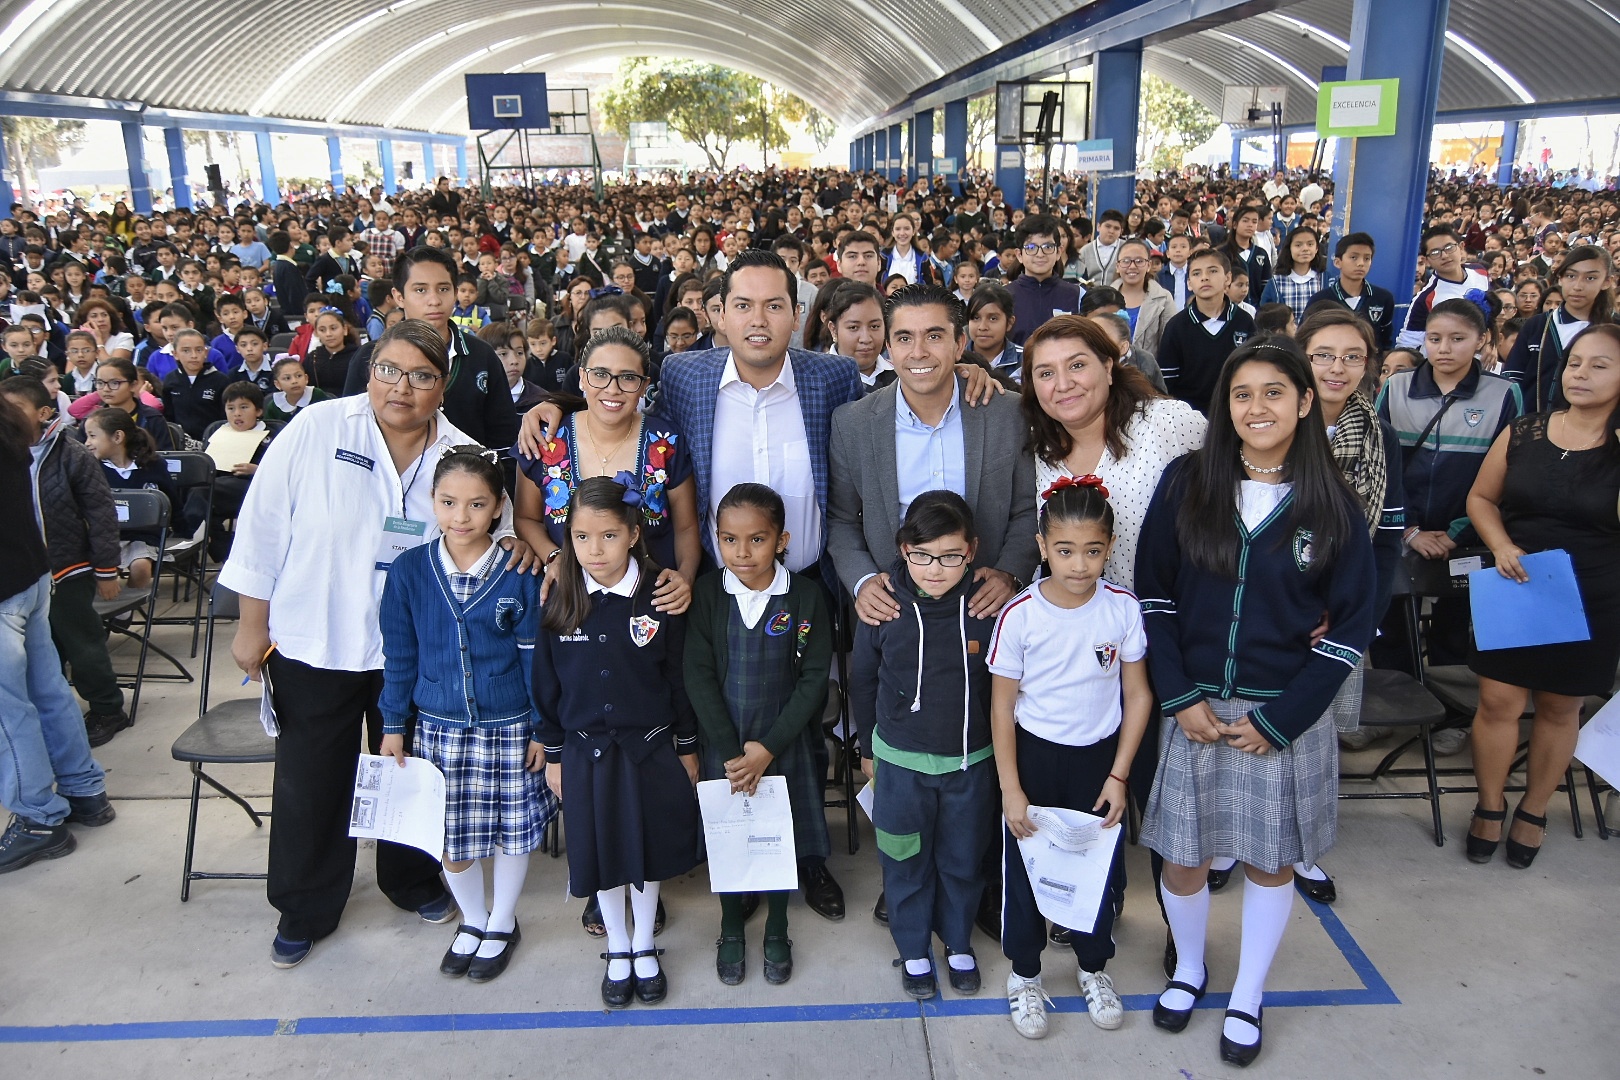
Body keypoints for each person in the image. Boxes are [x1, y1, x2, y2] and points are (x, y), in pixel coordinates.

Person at [220, 320, 538, 970]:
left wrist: (515, 548)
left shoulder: (461, 450)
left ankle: (411, 881)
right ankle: (306, 904)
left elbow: (493, 533)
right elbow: (262, 524)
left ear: (442, 385)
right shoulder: (318, 428)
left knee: (412, 775)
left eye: (422, 375)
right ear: (370, 371)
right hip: (317, 637)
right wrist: (252, 622)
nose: (403, 387)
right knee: (313, 778)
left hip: (418, 652)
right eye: (389, 370)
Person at [1136, 336, 1378, 1068]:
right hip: (1196, 709)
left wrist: (1281, 720)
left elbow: (1352, 627)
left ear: (1306, 402)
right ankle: (1189, 968)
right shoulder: (1186, 483)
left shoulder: (1331, 502)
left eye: (1275, 391)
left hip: (1282, 714)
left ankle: (1248, 992)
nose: (1257, 407)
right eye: (1243, 394)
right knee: (1183, 858)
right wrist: (1178, 696)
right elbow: (1154, 596)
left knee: (1270, 862)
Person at [378, 447, 555, 983]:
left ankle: (502, 921)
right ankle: (473, 920)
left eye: (477, 504)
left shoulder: (519, 570)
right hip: (439, 725)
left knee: (510, 832)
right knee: (450, 835)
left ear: (500, 506)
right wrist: (392, 724)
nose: (461, 516)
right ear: (431, 501)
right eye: (449, 502)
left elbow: (535, 657)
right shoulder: (411, 571)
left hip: (509, 725)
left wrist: (543, 727)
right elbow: (400, 654)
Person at [992, 476, 1152, 1037]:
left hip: (1098, 761)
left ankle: (1092, 967)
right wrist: (1012, 789)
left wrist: (1119, 774)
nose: (1079, 564)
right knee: (1027, 869)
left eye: (1092, 551)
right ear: (1042, 547)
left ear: (1109, 547)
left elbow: (1137, 695)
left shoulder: (1123, 609)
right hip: (1034, 759)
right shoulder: (1021, 615)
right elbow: (1002, 708)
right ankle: (1026, 974)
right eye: (1064, 550)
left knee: (1098, 871)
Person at [532, 475, 699, 1009]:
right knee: (602, 853)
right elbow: (547, 684)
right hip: (585, 753)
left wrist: (687, 745)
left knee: (644, 853)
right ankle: (619, 948)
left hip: (648, 749)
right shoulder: (561, 596)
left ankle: (646, 944)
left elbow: (678, 676)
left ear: (632, 533)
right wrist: (554, 752)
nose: (594, 550)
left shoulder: (660, 594)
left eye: (607, 536)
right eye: (581, 538)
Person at [1463, 325, 1620, 869]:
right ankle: (1488, 804)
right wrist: (1501, 544)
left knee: (1560, 706)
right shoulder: (1526, 430)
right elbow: (1482, 497)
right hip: (1516, 582)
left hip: (1592, 592)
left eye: (1600, 365)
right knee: (1498, 703)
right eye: (1575, 362)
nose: (1581, 373)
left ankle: (1533, 810)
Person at [849, 491, 999, 1000]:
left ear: (972, 550)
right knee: (904, 860)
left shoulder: (986, 608)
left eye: (951, 556)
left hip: (970, 765)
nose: (935, 569)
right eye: (922, 556)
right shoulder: (883, 604)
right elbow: (862, 679)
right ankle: (913, 947)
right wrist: (866, 749)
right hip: (898, 767)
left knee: (962, 859)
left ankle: (957, 941)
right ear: (903, 548)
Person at [685, 483, 832, 987]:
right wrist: (732, 754)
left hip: (781, 746)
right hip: (725, 749)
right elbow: (698, 675)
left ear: (782, 540)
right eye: (728, 540)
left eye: (756, 540)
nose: (741, 553)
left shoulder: (807, 596)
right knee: (732, 842)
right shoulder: (707, 594)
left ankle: (777, 927)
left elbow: (814, 678)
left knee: (776, 841)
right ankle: (729, 927)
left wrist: (766, 749)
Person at [828, 282, 1037, 630]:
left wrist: (1009, 573)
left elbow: (1028, 507)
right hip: (893, 611)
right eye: (905, 338)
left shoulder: (1007, 414)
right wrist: (863, 581)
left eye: (934, 336)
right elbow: (841, 519)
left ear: (959, 344)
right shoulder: (853, 423)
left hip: (987, 609)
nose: (918, 351)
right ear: (889, 347)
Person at [1377, 295, 1522, 704]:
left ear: (1481, 340)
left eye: (1458, 338)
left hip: (1468, 537)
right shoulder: (1397, 388)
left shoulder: (1504, 395)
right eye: (1434, 338)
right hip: (1401, 531)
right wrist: (1409, 530)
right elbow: (1376, 468)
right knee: (1390, 620)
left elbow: (1507, 476)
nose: (1444, 348)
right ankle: (1395, 702)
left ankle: (1449, 712)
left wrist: (1459, 533)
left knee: (1455, 624)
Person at [0, 391, 115, 874]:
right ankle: (84, 790)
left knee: (10, 713)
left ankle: (38, 818)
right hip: (29, 576)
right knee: (48, 691)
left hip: (10, 586)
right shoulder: (8, 423)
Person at [513, 326, 699, 609]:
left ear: (644, 385)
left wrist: (684, 578)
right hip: (570, 604)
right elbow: (526, 519)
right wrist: (555, 557)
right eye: (600, 374)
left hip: (653, 606)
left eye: (627, 377)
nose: (612, 389)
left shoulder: (666, 442)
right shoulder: (545, 439)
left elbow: (686, 527)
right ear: (582, 378)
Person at [0, 375, 131, 747]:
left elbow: (102, 513)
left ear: (43, 412)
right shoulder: (7, 450)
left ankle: (108, 708)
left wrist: (106, 569)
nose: (6, 416)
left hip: (68, 568)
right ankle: (54, 713)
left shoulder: (71, 452)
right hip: (23, 573)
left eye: (16, 409)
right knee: (41, 652)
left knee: (82, 644)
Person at [342, 247, 519, 451]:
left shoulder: (482, 356)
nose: (434, 301)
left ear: (455, 293)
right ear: (399, 296)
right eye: (420, 290)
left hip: (468, 478)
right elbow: (353, 430)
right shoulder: (369, 357)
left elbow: (504, 438)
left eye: (443, 289)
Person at [1501, 245, 1615, 413]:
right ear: (1560, 279)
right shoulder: (1537, 325)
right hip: (1531, 426)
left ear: (1607, 282)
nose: (1577, 286)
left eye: (1590, 278)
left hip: (1594, 430)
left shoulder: (1613, 330)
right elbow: (1512, 380)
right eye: (1571, 276)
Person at [82, 406, 182, 592]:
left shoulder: (153, 465)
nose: (87, 443)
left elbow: (171, 501)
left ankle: (126, 608)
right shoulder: (91, 468)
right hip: (104, 537)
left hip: (142, 536)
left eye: (93, 436)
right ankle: (112, 611)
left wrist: (185, 530)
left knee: (141, 567)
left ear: (118, 437)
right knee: (97, 571)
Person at [1158, 248, 1258, 415]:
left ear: (1228, 278)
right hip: (1189, 417)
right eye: (1196, 273)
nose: (1204, 277)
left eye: (1212, 271)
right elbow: (1167, 383)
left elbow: (1254, 371)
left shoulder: (1244, 321)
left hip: (1235, 413)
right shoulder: (1177, 326)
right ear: (1189, 283)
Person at [1397, 225, 1492, 349]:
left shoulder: (1480, 271)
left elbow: (1490, 313)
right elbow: (1406, 346)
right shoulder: (1426, 299)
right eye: (1435, 252)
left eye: (1449, 248)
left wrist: (1491, 341)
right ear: (1427, 261)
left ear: (1461, 247)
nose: (1445, 256)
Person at [1306, 232, 1396, 350]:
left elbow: (1386, 340)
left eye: (1367, 258)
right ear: (1338, 262)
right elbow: (1306, 338)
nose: (1361, 263)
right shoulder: (1320, 300)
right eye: (1354, 257)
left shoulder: (1383, 298)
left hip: (1370, 365)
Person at [1007, 214, 1083, 347]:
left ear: (1058, 252)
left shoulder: (1077, 295)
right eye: (1031, 248)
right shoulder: (1004, 296)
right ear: (1019, 255)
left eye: (1048, 247)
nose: (1040, 254)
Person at [161, 328, 231, 440]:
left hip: (214, 440)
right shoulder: (170, 380)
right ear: (175, 354)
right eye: (186, 351)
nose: (193, 355)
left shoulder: (220, 380)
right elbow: (169, 417)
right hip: (182, 444)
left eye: (199, 350)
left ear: (206, 352)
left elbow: (225, 417)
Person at [1114, 238, 1176, 355]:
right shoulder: (1105, 297)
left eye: (1139, 261)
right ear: (1117, 266)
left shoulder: (1163, 298)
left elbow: (1170, 343)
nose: (1132, 266)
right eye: (1126, 261)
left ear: (1148, 265)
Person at [1258, 226, 1325, 319]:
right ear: (1289, 249)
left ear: (1317, 248)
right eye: (1298, 245)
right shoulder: (1276, 283)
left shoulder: (1324, 280)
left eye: (1310, 244)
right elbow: (1265, 315)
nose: (1305, 249)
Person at [967, 283, 1021, 381]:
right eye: (976, 318)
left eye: (993, 318)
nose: (982, 327)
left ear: (1009, 323)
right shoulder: (955, 360)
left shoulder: (1026, 360)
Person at [1221, 204, 1273, 305]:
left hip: (1256, 309)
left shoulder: (1261, 254)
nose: (1250, 225)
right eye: (1245, 221)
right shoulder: (1222, 253)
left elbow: (1266, 286)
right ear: (1235, 224)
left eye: (1254, 222)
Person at [264, 356, 329, 424]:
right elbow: (270, 428)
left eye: (299, 376)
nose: (294, 381)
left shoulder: (317, 395)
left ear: (306, 378)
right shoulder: (275, 405)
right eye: (287, 378)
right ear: (278, 384)